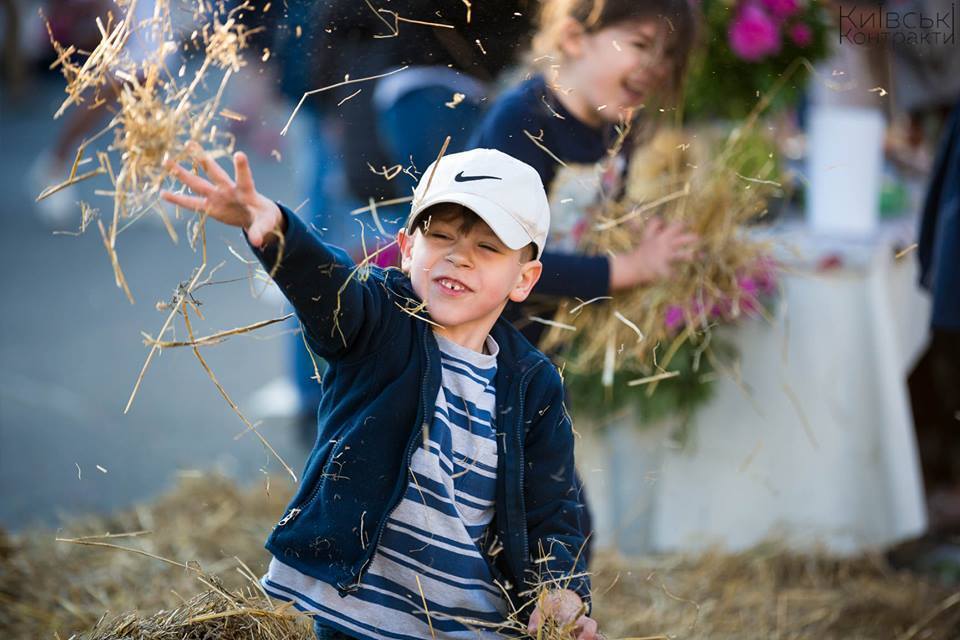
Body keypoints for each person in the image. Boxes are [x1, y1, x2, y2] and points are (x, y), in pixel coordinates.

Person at [162, 146, 598, 640]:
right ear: (408, 248)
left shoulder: (533, 383)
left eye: (488, 247)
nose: (458, 256)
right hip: (357, 615)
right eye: (440, 236)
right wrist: (279, 232)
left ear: (524, 279)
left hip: (471, 625)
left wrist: (561, 590)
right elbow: (329, 292)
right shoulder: (377, 320)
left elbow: (552, 508)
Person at [470, 0, 699, 346]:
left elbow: (600, 212)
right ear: (574, 38)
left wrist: (632, 226)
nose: (658, 66)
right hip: (487, 343)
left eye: (669, 53)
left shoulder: (617, 128)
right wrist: (630, 268)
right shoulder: (523, 123)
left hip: (546, 344)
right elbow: (500, 256)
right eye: (640, 44)